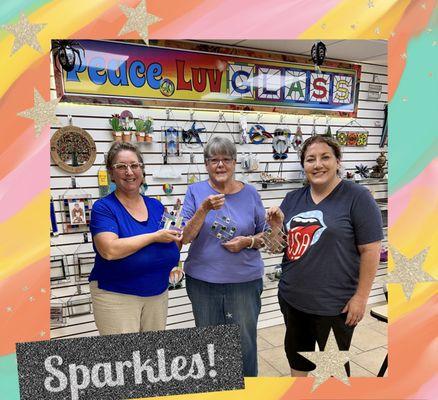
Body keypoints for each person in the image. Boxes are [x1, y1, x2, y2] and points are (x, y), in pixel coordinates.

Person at [267, 135, 383, 377]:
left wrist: (361, 297)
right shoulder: (293, 198)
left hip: (335, 305)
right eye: (310, 159)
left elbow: (370, 250)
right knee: (297, 361)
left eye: (325, 157)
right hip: (293, 299)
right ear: (303, 166)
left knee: (334, 373)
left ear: (338, 161)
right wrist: (276, 227)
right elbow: (279, 248)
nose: (317, 164)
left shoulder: (357, 197)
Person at [181, 136, 265, 377]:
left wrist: (247, 241)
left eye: (226, 159)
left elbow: (266, 235)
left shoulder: (250, 194)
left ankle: (248, 390)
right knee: (209, 343)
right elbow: (184, 237)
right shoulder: (195, 192)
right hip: (203, 283)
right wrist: (204, 209)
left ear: (235, 162)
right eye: (213, 160)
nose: (220, 165)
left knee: (244, 343)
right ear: (206, 164)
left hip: (244, 283)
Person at [89, 141, 182, 335]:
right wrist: (154, 236)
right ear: (111, 173)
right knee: (123, 359)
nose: (129, 172)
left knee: (152, 357)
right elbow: (109, 250)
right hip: (117, 295)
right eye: (121, 167)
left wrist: (172, 259)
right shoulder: (104, 208)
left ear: (142, 170)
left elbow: (170, 245)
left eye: (134, 165)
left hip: (157, 294)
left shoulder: (156, 206)